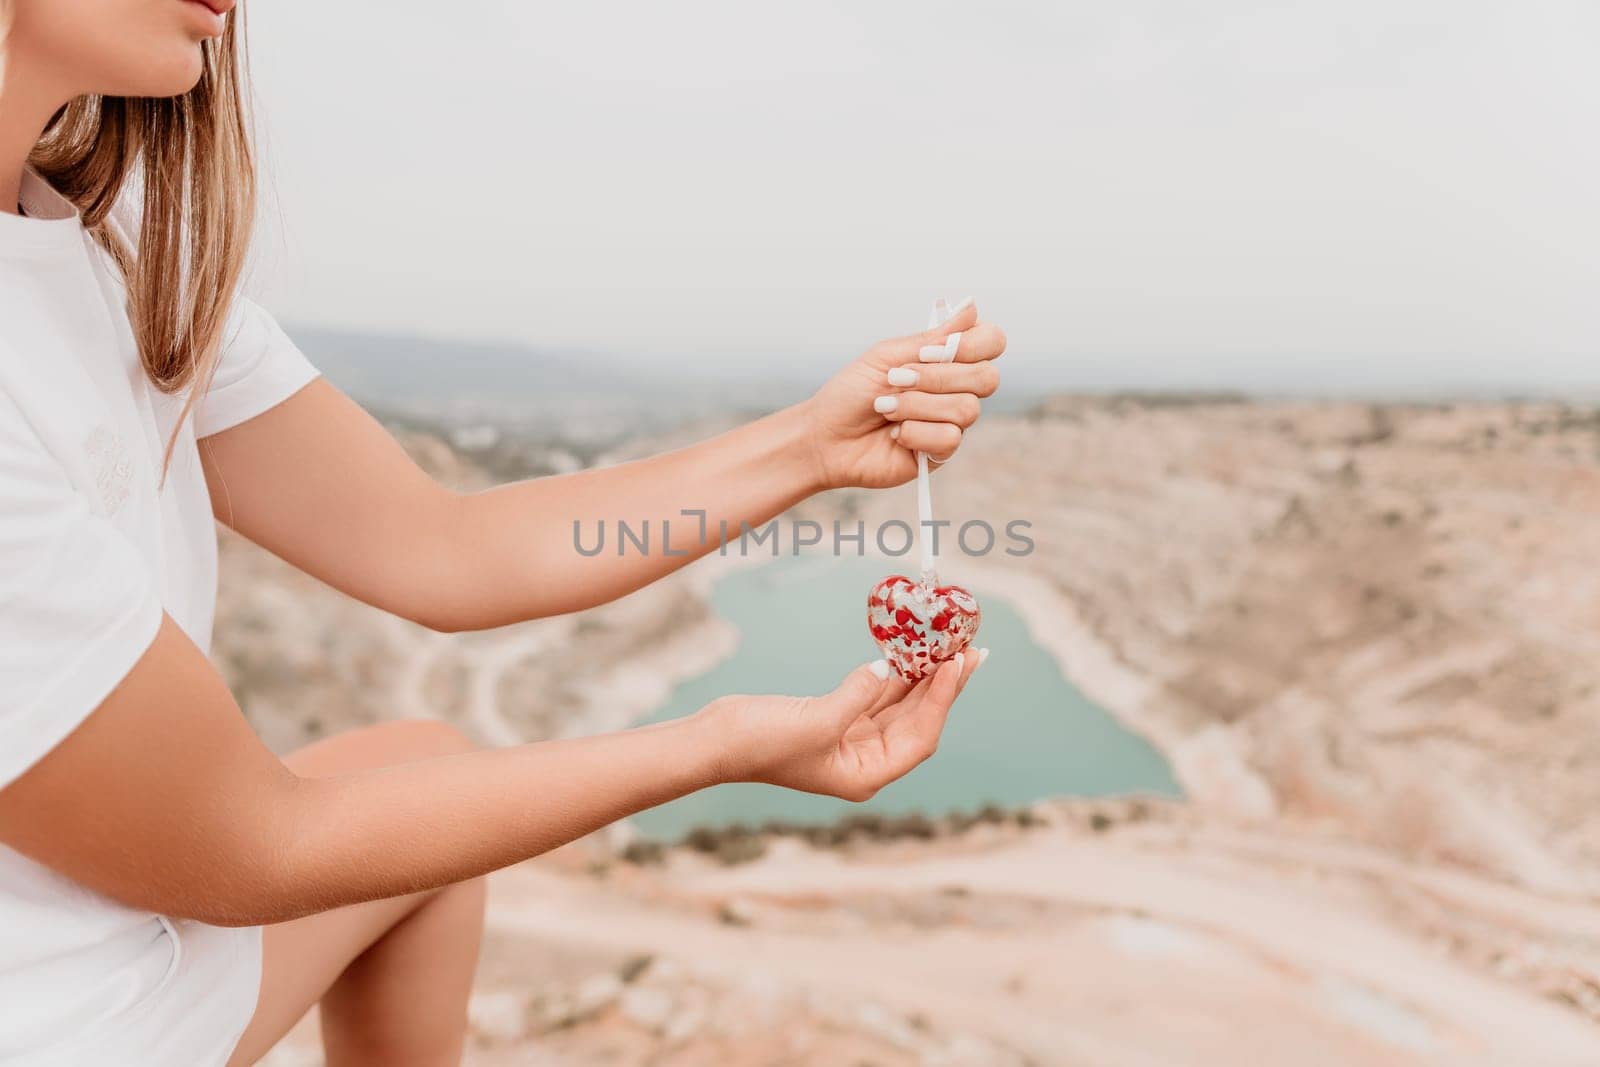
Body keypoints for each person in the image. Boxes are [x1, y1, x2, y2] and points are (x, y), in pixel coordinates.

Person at [0, 1, 1006, 1063]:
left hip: (134, 960)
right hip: (71, 1026)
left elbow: (445, 546)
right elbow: (250, 843)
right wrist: (715, 744)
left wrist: (812, 445)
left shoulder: (119, 249)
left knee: (424, 763)